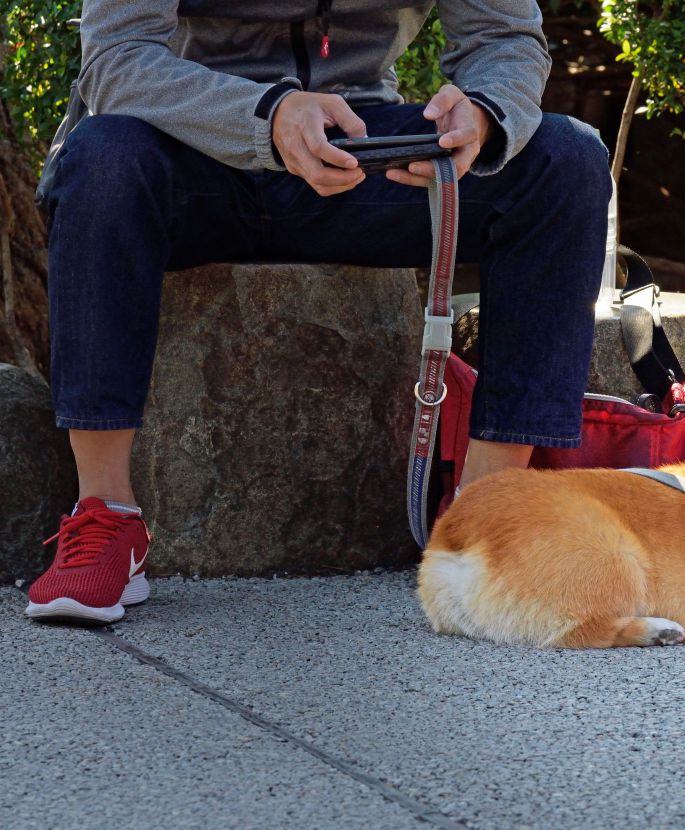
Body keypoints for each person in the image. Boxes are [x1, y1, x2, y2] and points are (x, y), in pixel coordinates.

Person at [24, 0, 611, 623]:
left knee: (565, 158)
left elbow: (504, 37)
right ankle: (105, 515)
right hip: (189, 149)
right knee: (101, 157)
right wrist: (267, 112)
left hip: (357, 152)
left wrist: (487, 113)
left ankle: (487, 515)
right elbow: (117, 59)